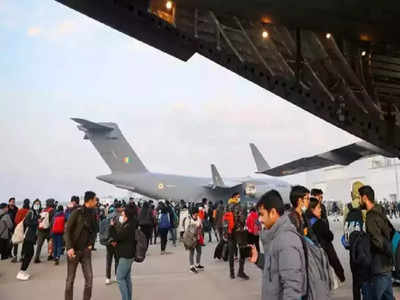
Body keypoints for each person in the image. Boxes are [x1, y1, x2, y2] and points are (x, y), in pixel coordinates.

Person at [249, 190, 306, 300]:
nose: (259, 219)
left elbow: (293, 286)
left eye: (261, 214)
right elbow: (276, 267)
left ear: (273, 213)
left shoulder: (286, 240)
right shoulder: (276, 236)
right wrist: (258, 259)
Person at [359, 185, 395, 300]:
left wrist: (366, 244)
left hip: (378, 266)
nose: (359, 201)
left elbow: (378, 242)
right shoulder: (380, 211)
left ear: (364, 198)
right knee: (388, 297)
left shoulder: (370, 217)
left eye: (360, 198)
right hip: (387, 265)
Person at [64, 191, 98, 300]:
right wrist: (69, 247)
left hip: (86, 251)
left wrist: (91, 244)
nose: (96, 201)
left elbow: (95, 230)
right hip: (73, 251)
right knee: (70, 280)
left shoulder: (93, 213)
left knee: (89, 279)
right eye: (95, 199)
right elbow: (67, 230)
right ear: (90, 200)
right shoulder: (77, 212)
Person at [307, 198, 345, 283]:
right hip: (323, 252)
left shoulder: (306, 221)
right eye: (318, 208)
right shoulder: (318, 223)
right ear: (312, 209)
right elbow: (330, 236)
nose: (320, 210)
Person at [343, 181, 366, 300]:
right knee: (367, 279)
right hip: (365, 249)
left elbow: (344, 228)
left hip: (353, 249)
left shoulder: (347, 207)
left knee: (355, 280)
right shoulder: (365, 205)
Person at [110, 206, 138, 300]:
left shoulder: (127, 226)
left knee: (120, 278)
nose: (122, 215)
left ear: (127, 216)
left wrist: (112, 226)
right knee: (126, 278)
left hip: (126, 255)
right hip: (130, 254)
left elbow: (117, 237)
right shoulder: (132, 223)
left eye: (123, 214)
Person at [224, 192, 248, 280]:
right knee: (242, 252)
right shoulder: (240, 206)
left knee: (231, 253)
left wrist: (226, 232)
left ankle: (232, 273)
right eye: (238, 196)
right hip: (239, 232)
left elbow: (225, 220)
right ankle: (240, 272)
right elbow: (242, 219)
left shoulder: (227, 206)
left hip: (230, 232)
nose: (239, 198)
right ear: (235, 197)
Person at [16, 199, 41, 280]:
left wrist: (38, 218)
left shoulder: (35, 213)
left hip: (31, 237)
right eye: (36, 204)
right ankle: (21, 272)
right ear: (33, 204)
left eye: (38, 204)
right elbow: (27, 222)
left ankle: (23, 271)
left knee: (28, 254)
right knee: (29, 254)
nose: (37, 205)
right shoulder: (30, 212)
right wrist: (37, 221)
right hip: (28, 237)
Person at [34, 198, 55, 263]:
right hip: (48, 230)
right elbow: (52, 221)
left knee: (39, 245)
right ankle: (50, 256)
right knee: (51, 243)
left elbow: (39, 219)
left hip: (41, 229)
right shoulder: (52, 210)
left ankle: (36, 257)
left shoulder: (43, 210)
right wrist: (52, 230)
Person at [185, 207, 204, 273]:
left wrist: (200, 227)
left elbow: (201, 226)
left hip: (198, 237)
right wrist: (196, 227)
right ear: (192, 213)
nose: (196, 215)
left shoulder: (198, 218)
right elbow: (187, 230)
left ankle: (197, 264)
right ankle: (191, 266)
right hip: (191, 239)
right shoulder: (189, 219)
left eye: (197, 213)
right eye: (195, 214)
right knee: (192, 252)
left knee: (199, 251)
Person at [103, 205, 119, 285]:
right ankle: (116, 276)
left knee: (109, 261)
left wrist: (110, 241)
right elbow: (119, 232)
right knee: (117, 260)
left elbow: (105, 234)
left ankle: (108, 278)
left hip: (109, 243)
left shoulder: (105, 220)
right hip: (116, 243)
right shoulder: (118, 220)